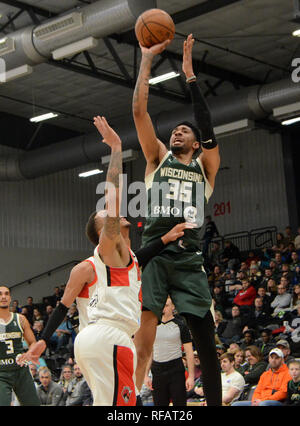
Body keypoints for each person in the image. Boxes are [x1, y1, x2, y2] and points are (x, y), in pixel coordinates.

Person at [17, 119, 192, 406]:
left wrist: (167, 239)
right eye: (108, 218)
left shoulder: (123, 259)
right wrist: (116, 149)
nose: (115, 216)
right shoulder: (107, 251)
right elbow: (112, 198)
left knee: (124, 404)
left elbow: (140, 257)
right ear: (104, 233)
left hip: (95, 339)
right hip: (109, 337)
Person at [132, 32, 222, 406]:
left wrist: (189, 75)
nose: (177, 131)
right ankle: (129, 400)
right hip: (155, 255)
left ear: (197, 144)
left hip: (187, 260)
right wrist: (146, 59)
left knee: (207, 345)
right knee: (145, 338)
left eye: (185, 131)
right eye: (175, 130)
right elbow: (139, 112)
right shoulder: (157, 158)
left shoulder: (206, 168)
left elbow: (207, 124)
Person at [143, 297, 194, 406]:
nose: (164, 308)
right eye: (162, 305)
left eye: (166, 305)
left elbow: (189, 352)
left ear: (173, 306)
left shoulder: (181, 325)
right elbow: (150, 352)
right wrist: (146, 374)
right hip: (157, 370)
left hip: (175, 369)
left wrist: (191, 376)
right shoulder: (153, 324)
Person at [0, 286, 40, 406]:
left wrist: (29, 353)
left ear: (10, 298)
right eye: (0, 294)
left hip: (20, 370)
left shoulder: (20, 319)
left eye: (6, 294)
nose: (3, 296)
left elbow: (33, 343)